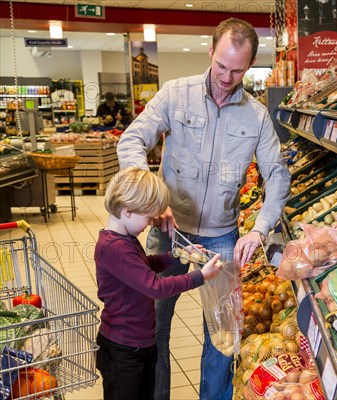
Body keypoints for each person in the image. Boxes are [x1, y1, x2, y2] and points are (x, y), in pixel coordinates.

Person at [116, 17, 291, 400]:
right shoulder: (175, 94)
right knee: (154, 328)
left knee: (222, 335)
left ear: (249, 67)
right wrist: (153, 197)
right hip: (169, 232)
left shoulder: (257, 116)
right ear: (210, 52)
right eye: (222, 66)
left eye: (238, 70)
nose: (227, 78)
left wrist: (260, 228)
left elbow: (276, 174)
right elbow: (131, 141)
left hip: (222, 237)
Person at [95, 166, 223, 399]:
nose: (150, 223)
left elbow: (144, 265)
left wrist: (177, 255)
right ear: (127, 211)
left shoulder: (125, 239)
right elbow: (154, 287)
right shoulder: (115, 248)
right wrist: (199, 277)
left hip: (139, 344)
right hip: (123, 351)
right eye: (147, 217)